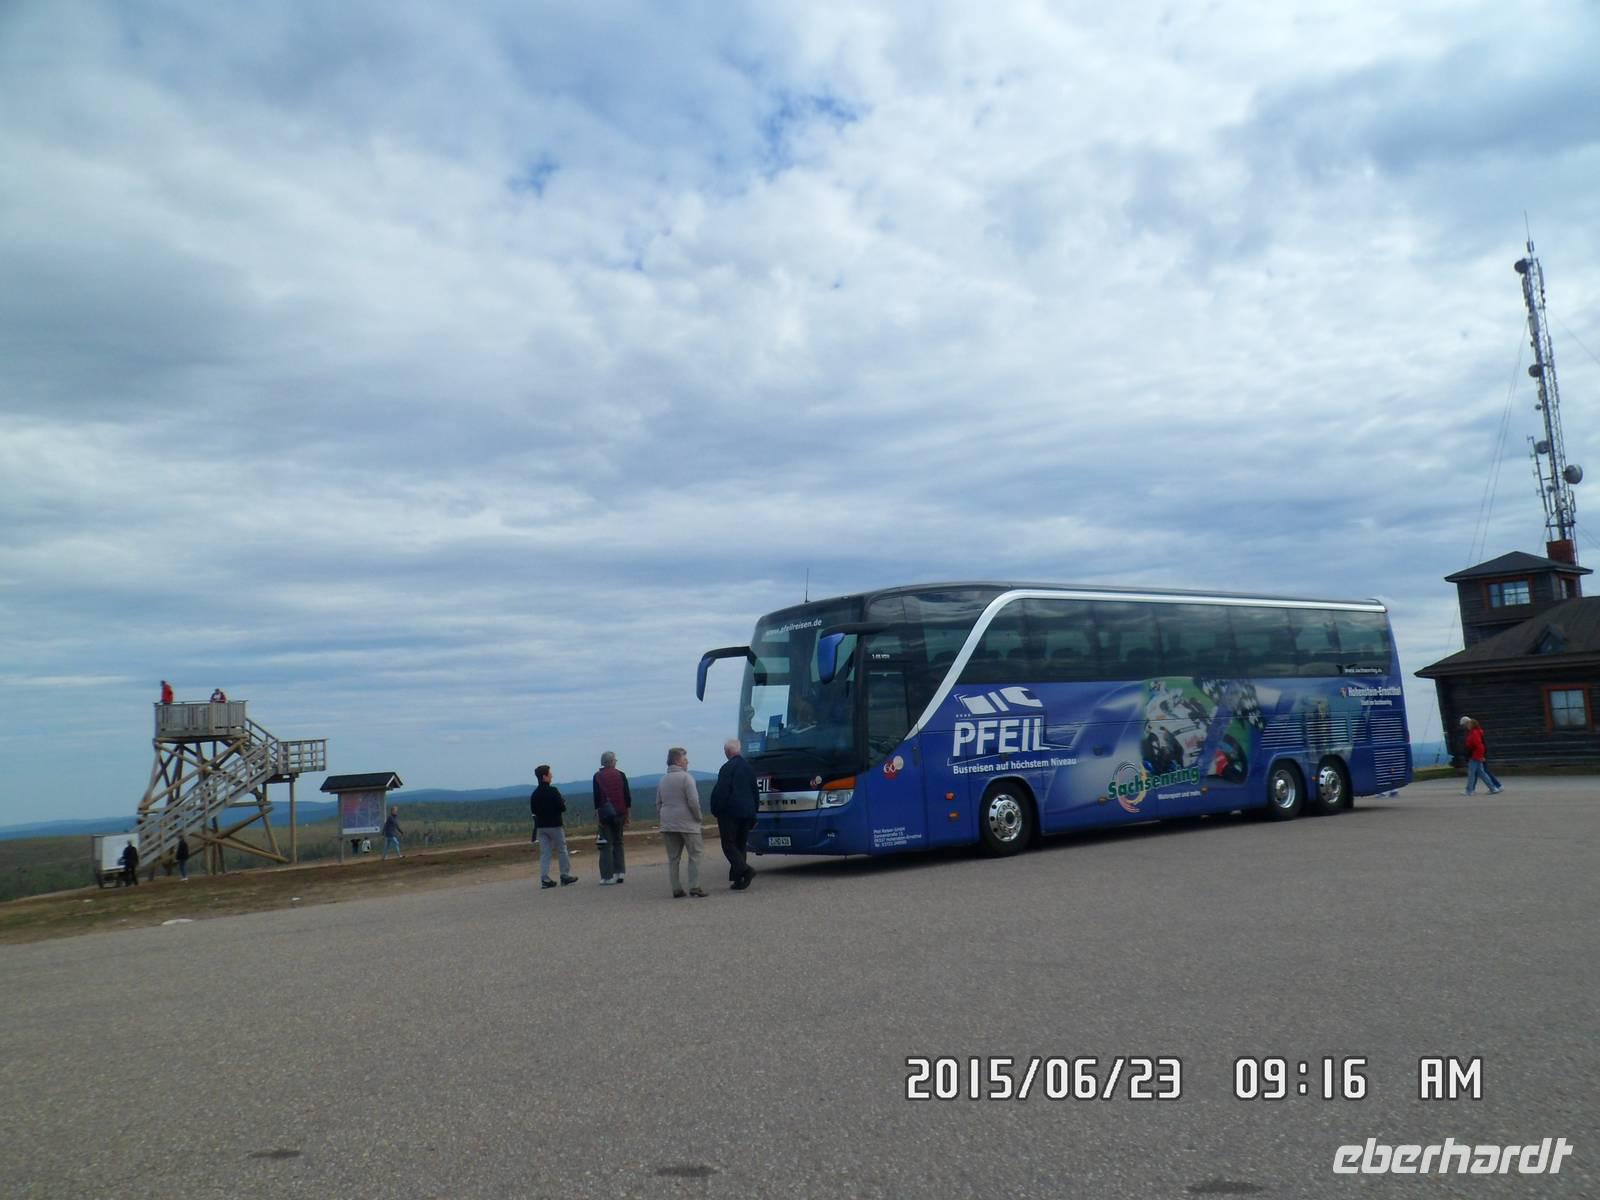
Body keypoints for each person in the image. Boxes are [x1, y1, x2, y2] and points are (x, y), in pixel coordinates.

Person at [709, 737, 760, 890]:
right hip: (747, 812)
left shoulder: (727, 768)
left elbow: (721, 792)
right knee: (740, 844)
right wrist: (754, 813)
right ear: (739, 750)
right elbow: (755, 792)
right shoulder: (749, 768)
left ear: (726, 752)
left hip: (730, 813)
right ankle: (739, 879)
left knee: (728, 844)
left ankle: (745, 870)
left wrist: (716, 809)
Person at [656, 747, 706, 898]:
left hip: (668, 823)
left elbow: (658, 803)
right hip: (687, 823)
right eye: (685, 759)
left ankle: (676, 888)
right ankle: (694, 886)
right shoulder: (687, 778)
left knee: (673, 858)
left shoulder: (662, 780)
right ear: (678, 761)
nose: (687, 762)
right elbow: (693, 801)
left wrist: (664, 817)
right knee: (695, 854)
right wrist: (698, 817)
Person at [530, 764, 579, 889]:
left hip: (541, 827)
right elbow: (562, 808)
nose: (551, 776)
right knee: (562, 849)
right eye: (549, 774)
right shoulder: (553, 791)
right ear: (544, 776)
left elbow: (534, 810)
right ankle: (564, 875)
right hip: (555, 825)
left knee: (545, 853)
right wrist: (562, 802)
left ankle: (545, 879)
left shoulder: (534, 794)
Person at [592, 751, 632, 884]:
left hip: (605, 814)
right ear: (612, 761)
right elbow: (627, 796)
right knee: (618, 842)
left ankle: (607, 876)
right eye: (615, 760)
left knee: (606, 844)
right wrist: (628, 815)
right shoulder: (621, 775)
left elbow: (597, 799)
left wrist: (598, 817)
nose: (616, 761)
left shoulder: (597, 776)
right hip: (620, 813)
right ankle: (620, 872)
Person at [1459, 717, 1504, 795]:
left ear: (1471, 724)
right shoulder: (1475, 732)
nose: (1466, 726)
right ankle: (1493, 788)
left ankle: (1469, 791)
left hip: (1474, 756)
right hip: (1477, 756)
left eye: (1467, 724)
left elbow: (1479, 745)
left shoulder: (1474, 733)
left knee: (1471, 773)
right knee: (1482, 773)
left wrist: (1480, 756)